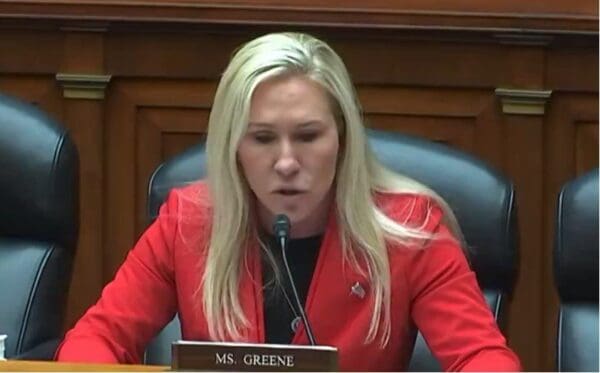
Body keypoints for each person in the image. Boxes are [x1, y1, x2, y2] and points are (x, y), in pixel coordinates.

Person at [56, 32, 521, 371]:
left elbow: (482, 358)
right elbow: (95, 341)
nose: (285, 162)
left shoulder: (410, 232)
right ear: (233, 147)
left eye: (308, 136)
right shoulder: (188, 224)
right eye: (261, 138)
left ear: (343, 139)